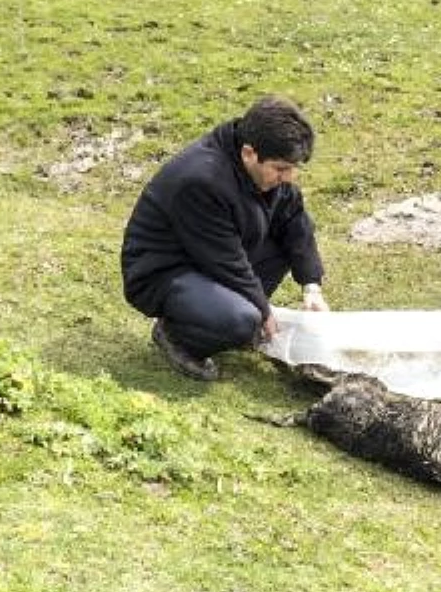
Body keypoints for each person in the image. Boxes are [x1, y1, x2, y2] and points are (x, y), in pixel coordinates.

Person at [121, 95, 329, 381]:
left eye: (293, 169)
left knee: (285, 245)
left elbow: (296, 223)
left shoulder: (264, 172)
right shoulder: (202, 180)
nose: (288, 177)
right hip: (165, 271)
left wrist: (311, 286)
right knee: (242, 320)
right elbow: (225, 259)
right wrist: (262, 309)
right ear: (248, 153)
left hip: (210, 257)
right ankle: (176, 335)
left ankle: (222, 314)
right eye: (281, 169)